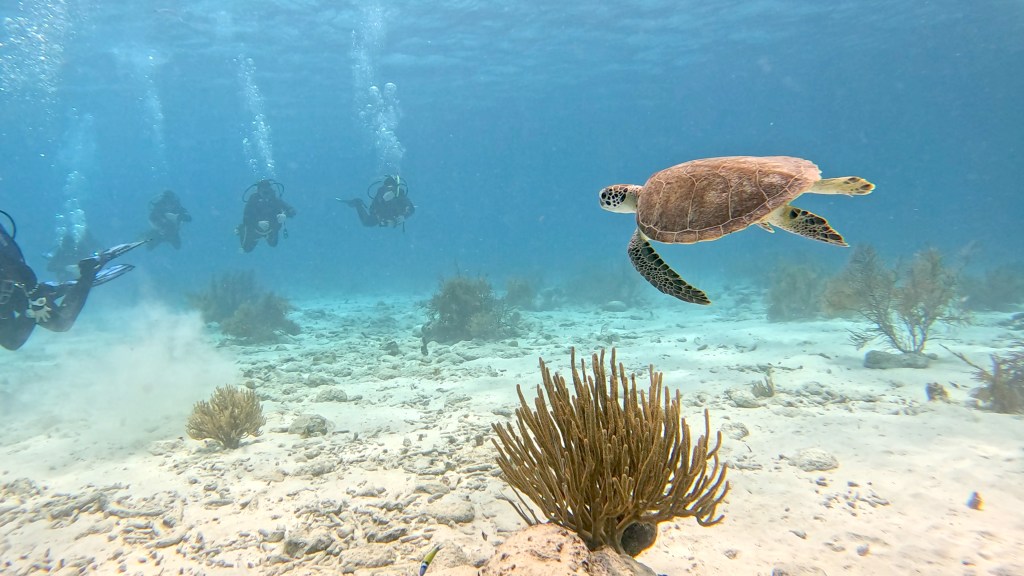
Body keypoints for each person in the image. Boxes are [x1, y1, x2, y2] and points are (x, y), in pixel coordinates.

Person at [0, 210, 144, 351]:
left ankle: (88, 272)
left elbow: (17, 266)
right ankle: (48, 293)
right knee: (11, 341)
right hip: (10, 292)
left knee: (60, 323)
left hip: (12, 291)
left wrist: (36, 298)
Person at [236, 179, 296, 253]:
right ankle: (241, 229)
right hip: (255, 229)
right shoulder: (253, 200)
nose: (265, 194)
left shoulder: (275, 200)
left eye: (267, 191)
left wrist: (285, 215)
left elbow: (292, 210)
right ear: (258, 191)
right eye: (263, 191)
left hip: (271, 229)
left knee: (273, 244)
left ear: (270, 190)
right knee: (246, 249)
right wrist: (257, 223)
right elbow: (246, 218)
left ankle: (265, 235)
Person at [340, 175, 415, 229]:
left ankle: (358, 203)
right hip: (380, 214)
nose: (390, 189)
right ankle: (358, 203)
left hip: (390, 216)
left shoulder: (400, 194)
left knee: (367, 222)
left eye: (391, 187)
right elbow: (379, 199)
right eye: (388, 187)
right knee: (367, 222)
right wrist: (384, 199)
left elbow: (411, 208)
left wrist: (403, 216)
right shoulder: (382, 190)